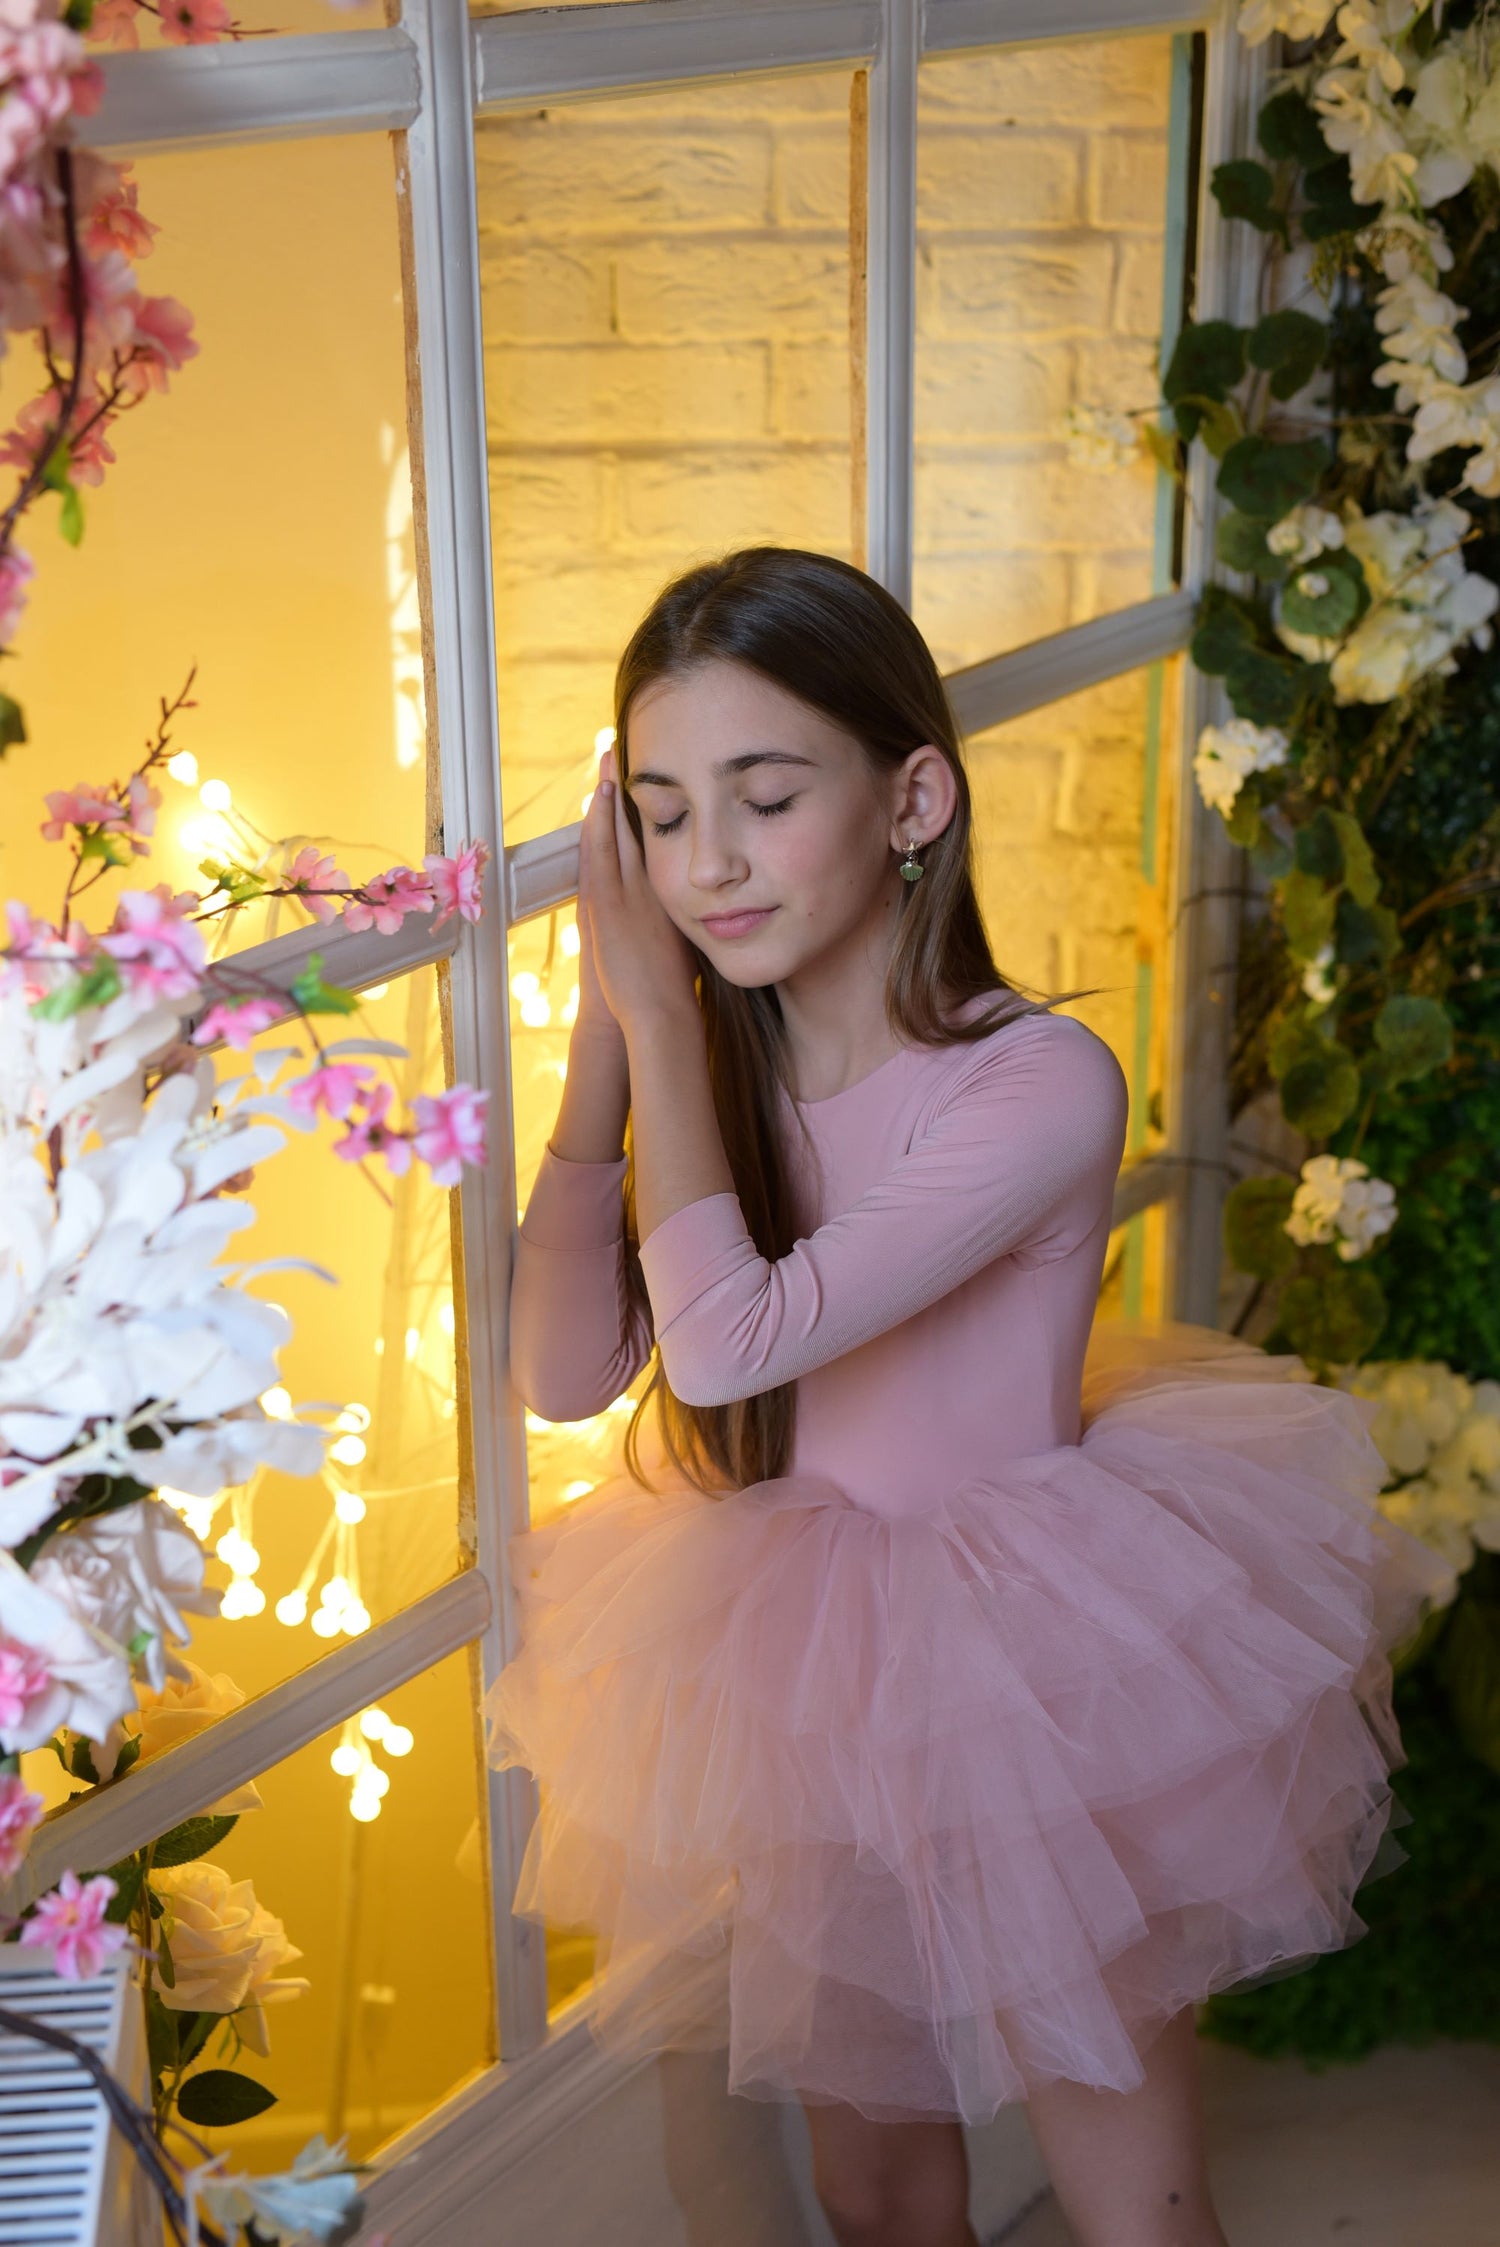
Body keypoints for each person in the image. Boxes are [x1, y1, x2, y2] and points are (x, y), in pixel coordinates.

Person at [483, 547, 1448, 2247]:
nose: (705, 863)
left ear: (913, 797)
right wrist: (609, 1063)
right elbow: (568, 1378)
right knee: (874, 2191)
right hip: (802, 1662)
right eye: (660, 810)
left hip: (1033, 1663)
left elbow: (721, 1346)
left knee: (1132, 2193)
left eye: (765, 797)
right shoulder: (722, 1076)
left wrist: (655, 1000)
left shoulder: (1035, 1083)